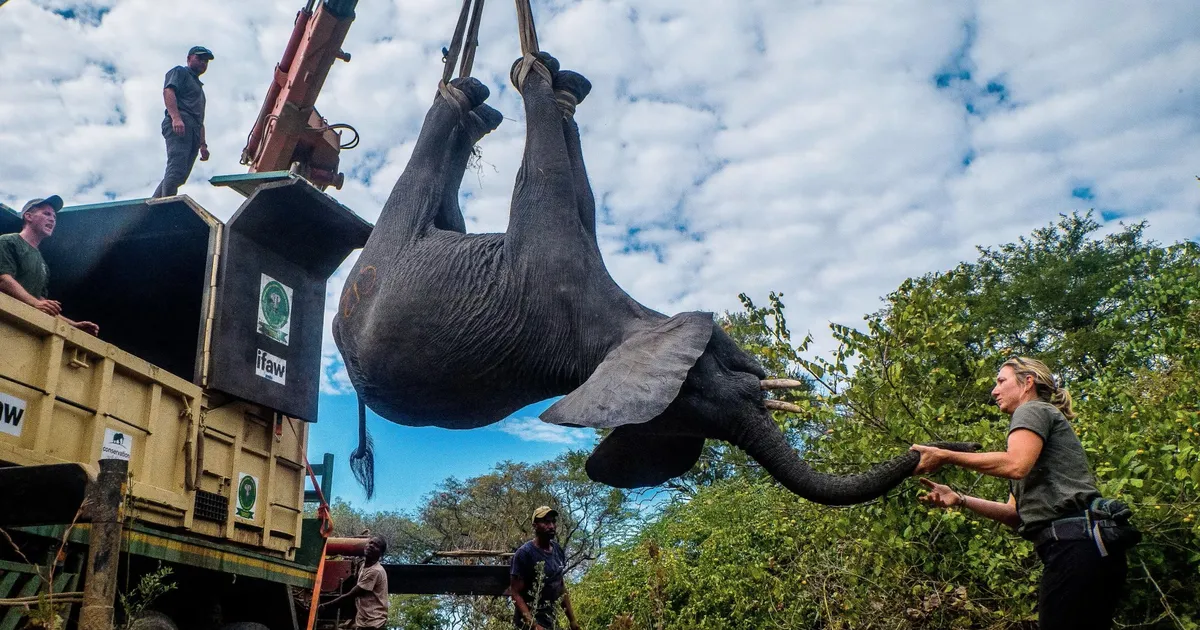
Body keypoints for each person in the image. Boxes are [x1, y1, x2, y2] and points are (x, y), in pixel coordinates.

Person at [911, 356, 1129, 629]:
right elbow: (1015, 514)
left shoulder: (1032, 410)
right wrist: (960, 499)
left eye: (1001, 381)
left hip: (1075, 547)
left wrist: (945, 456)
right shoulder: (1035, 433)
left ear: (1028, 383)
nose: (994, 390)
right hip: (1085, 548)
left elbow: (1015, 464)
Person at [0, 196, 99, 336]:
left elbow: (41, 302)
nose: (52, 219)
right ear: (28, 216)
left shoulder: (43, 264)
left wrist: (73, 325)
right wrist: (36, 304)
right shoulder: (8, 242)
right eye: (46, 214)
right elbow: (3, 279)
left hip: (20, 328)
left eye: (54, 216)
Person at [152, 45, 213, 198]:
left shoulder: (200, 91)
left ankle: (155, 203)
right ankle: (166, 205)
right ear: (189, 58)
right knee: (176, 167)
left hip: (194, 128)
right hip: (181, 122)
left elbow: (200, 120)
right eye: (199, 58)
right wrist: (176, 118)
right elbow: (168, 91)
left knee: (180, 175)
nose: (203, 63)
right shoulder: (180, 71)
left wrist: (203, 144)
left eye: (206, 61)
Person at [510, 506, 581, 630]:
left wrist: (572, 620)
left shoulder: (557, 550)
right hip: (527, 624)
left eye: (553, 522)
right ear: (535, 525)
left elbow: (560, 586)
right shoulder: (525, 554)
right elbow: (515, 593)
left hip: (550, 619)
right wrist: (533, 625)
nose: (552, 526)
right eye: (546, 522)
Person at [319, 535, 389, 630]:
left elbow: (351, 595)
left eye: (376, 545)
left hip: (373, 624)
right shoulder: (364, 566)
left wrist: (325, 606)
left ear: (380, 553)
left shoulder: (375, 571)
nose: (371, 546)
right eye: (370, 543)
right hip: (364, 622)